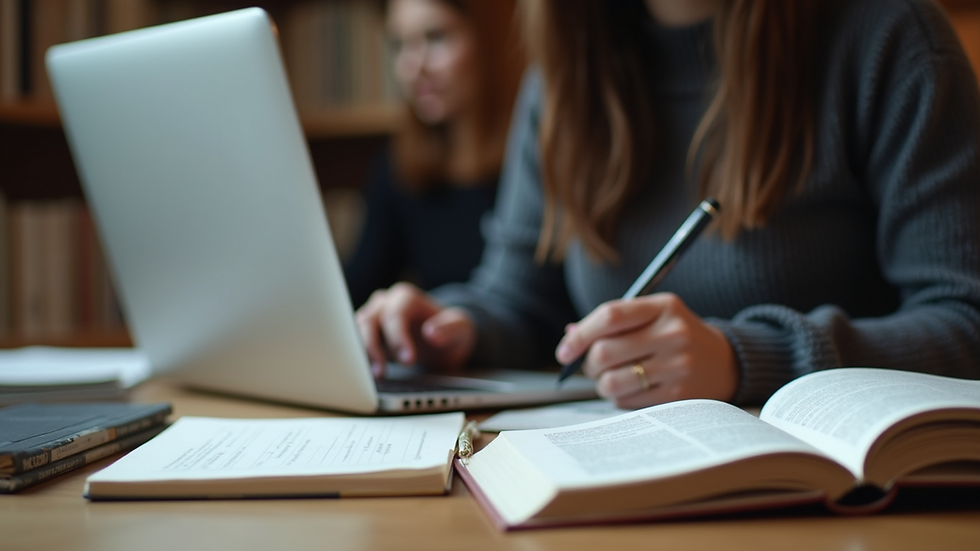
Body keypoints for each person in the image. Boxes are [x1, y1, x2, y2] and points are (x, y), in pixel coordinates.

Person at [355, 0, 980, 407]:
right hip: (623, 476)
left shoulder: (889, 38)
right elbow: (522, 302)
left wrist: (745, 359)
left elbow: (965, 322)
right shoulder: (565, 77)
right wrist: (453, 329)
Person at [343, 0, 524, 308]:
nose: (412, 67)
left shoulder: (531, 161)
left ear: (488, 39)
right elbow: (355, 290)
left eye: (436, 38)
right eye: (399, 45)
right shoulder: (397, 168)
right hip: (447, 349)